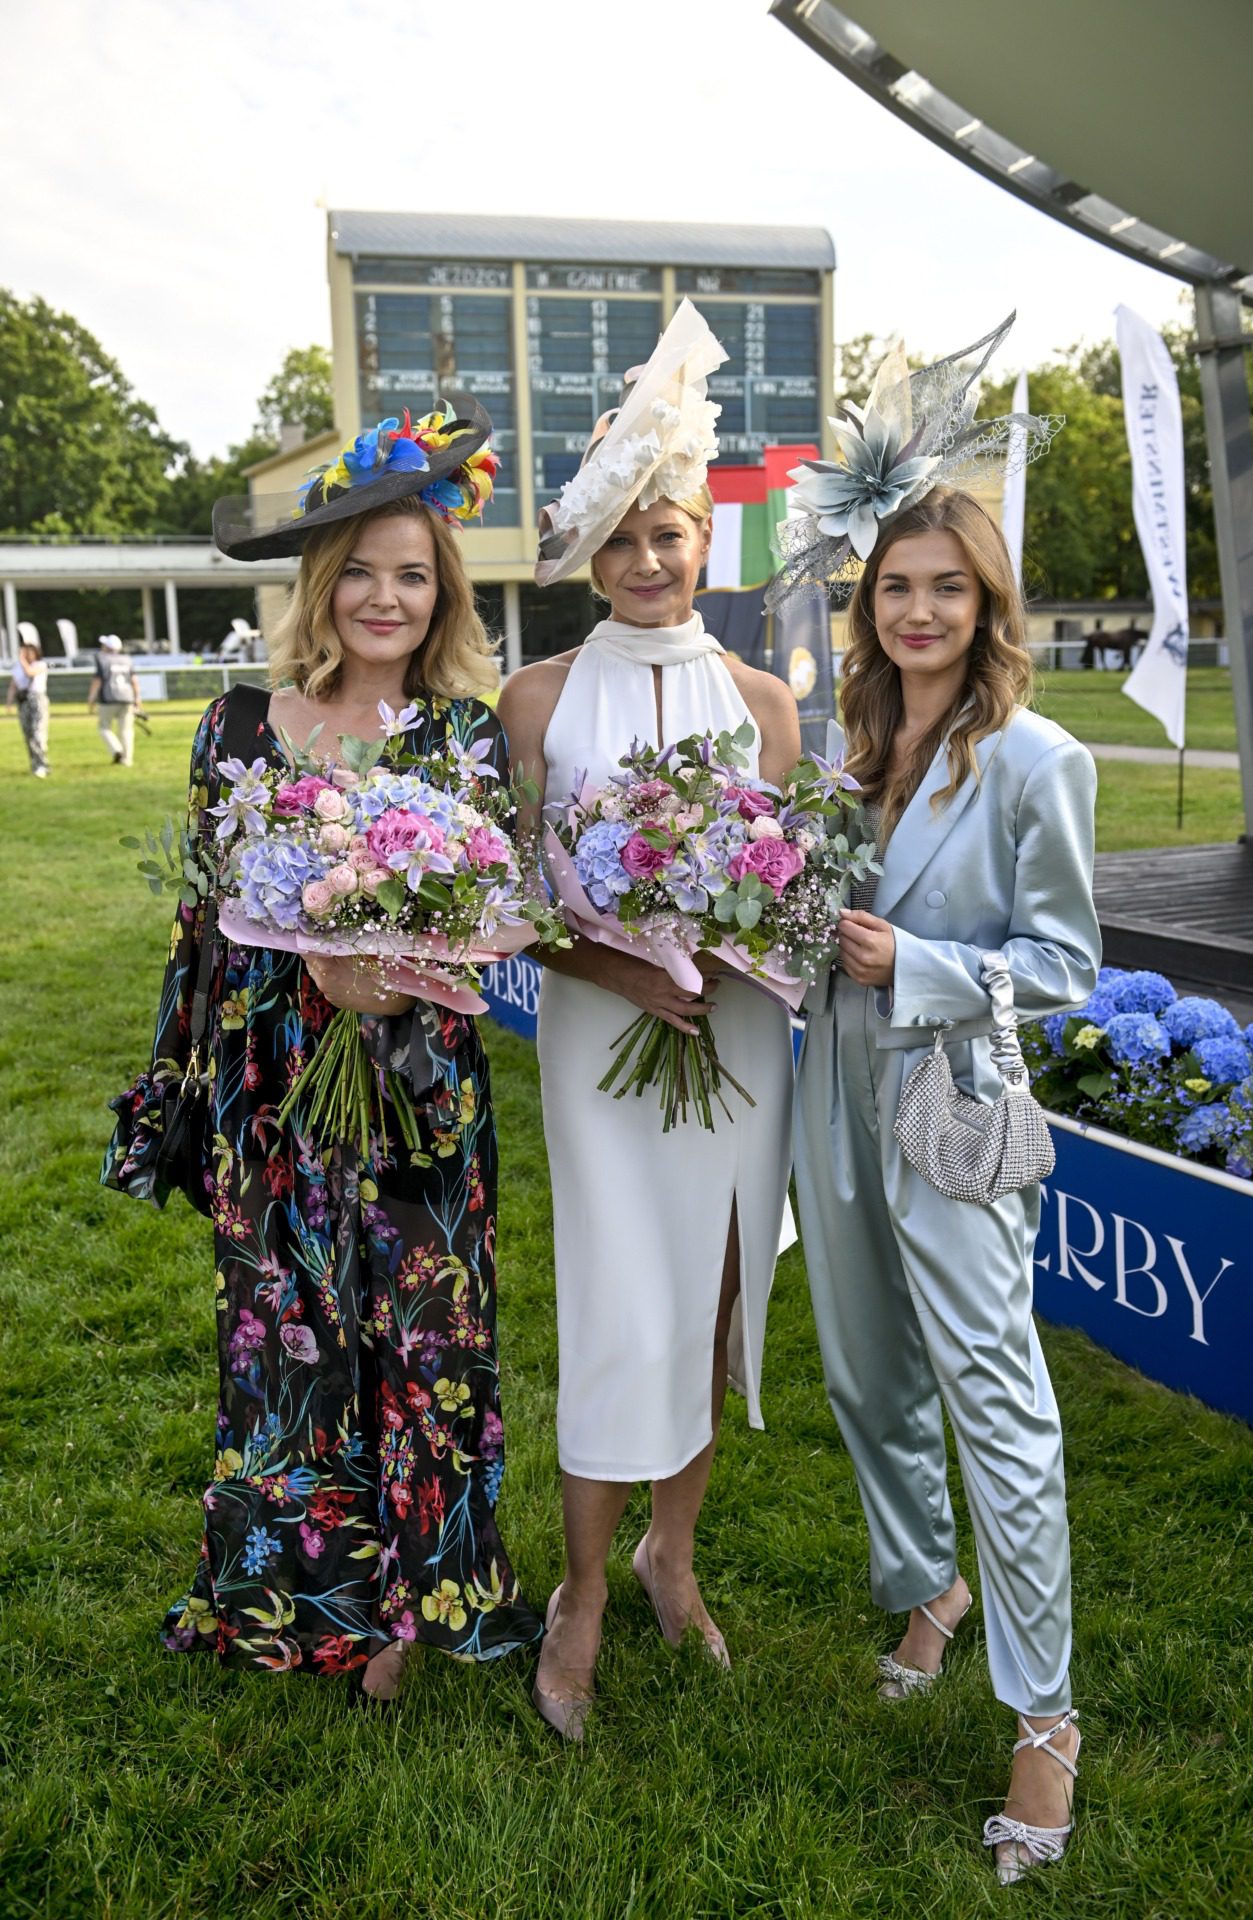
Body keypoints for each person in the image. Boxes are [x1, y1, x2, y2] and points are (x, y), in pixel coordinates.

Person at [102, 399, 541, 1704]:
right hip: (274, 1085)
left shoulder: (463, 741)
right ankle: (288, 1594)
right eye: (360, 568)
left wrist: (392, 975)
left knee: (423, 1335)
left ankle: (414, 1611)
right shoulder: (237, 726)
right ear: (321, 579)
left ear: (442, 592)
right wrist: (254, 1017)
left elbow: (490, 930)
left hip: (417, 1092)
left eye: (412, 574)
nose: (384, 595)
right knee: (289, 1338)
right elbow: (200, 924)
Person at [773, 322, 1100, 1884]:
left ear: (987, 604)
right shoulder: (850, 746)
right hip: (829, 1082)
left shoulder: (1038, 760)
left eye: (946, 589)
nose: (917, 612)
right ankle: (928, 1589)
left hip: (952, 1100)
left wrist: (922, 963)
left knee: (996, 1400)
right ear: (870, 603)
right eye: (894, 587)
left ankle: (1044, 1721)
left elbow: (1067, 963)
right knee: (861, 1364)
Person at [499, 301, 802, 1739]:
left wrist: (734, 960)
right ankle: (581, 1592)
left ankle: (672, 1550)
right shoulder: (537, 697)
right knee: (620, 1294)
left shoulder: (762, 699)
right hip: (600, 1036)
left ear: (701, 538)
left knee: (720, 1285)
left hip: (735, 1040)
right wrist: (629, 974)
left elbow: (789, 888)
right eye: (615, 535)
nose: (640, 559)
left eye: (663, 531)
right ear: (589, 547)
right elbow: (511, 900)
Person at [88, 634, 142, 765]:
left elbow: (98, 681)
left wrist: (91, 699)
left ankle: (117, 749)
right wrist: (137, 698)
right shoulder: (127, 660)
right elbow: (134, 680)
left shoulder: (102, 660)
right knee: (126, 730)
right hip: (127, 698)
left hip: (108, 698)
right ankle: (127, 759)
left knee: (104, 727)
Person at [6, 634, 50, 776]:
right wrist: (9, 702)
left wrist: (22, 660)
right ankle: (35, 764)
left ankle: (43, 764)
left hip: (37, 699)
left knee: (38, 732)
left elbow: (30, 673)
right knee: (28, 734)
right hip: (24, 701)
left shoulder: (40, 665)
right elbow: (13, 685)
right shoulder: (18, 667)